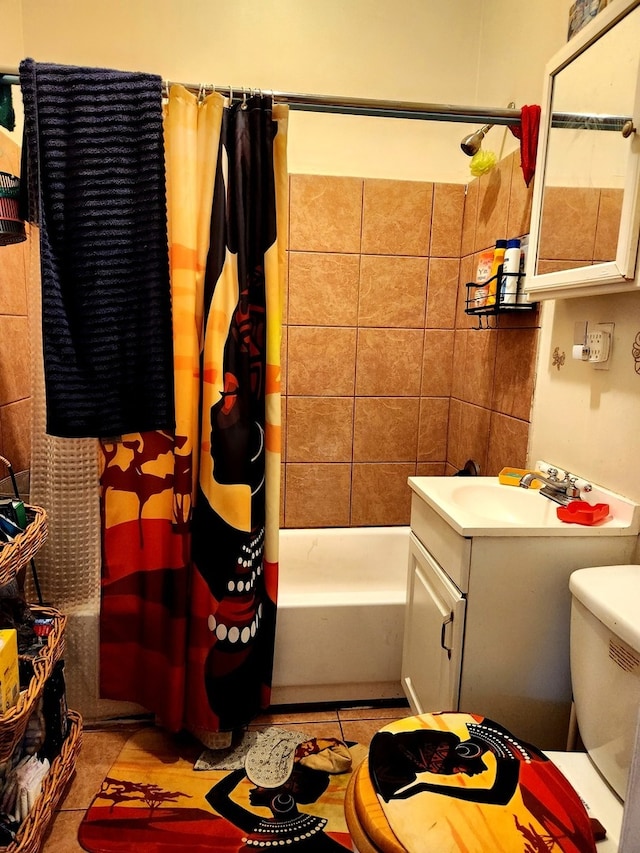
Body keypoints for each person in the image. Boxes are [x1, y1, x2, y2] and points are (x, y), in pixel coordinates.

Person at [206, 737, 351, 851]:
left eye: (263, 782)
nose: (253, 787)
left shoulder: (265, 827)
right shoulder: (306, 830)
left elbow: (216, 797)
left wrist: (244, 768)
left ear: (289, 785)